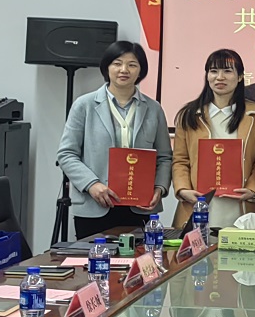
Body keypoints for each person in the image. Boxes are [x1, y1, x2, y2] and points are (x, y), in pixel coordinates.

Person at [57, 41, 172, 240]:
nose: (124, 70)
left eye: (132, 65)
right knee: (95, 258)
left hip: (139, 206)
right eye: (117, 63)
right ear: (107, 67)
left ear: (141, 70)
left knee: (139, 258)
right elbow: (67, 154)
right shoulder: (84, 105)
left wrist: (159, 188)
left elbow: (164, 157)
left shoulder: (154, 109)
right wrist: (92, 184)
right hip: (95, 204)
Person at [172, 49, 255, 229]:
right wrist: (183, 189)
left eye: (227, 71)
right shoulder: (190, 114)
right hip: (199, 203)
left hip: (241, 205)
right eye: (214, 71)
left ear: (240, 77)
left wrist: (252, 189)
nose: (220, 77)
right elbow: (180, 159)